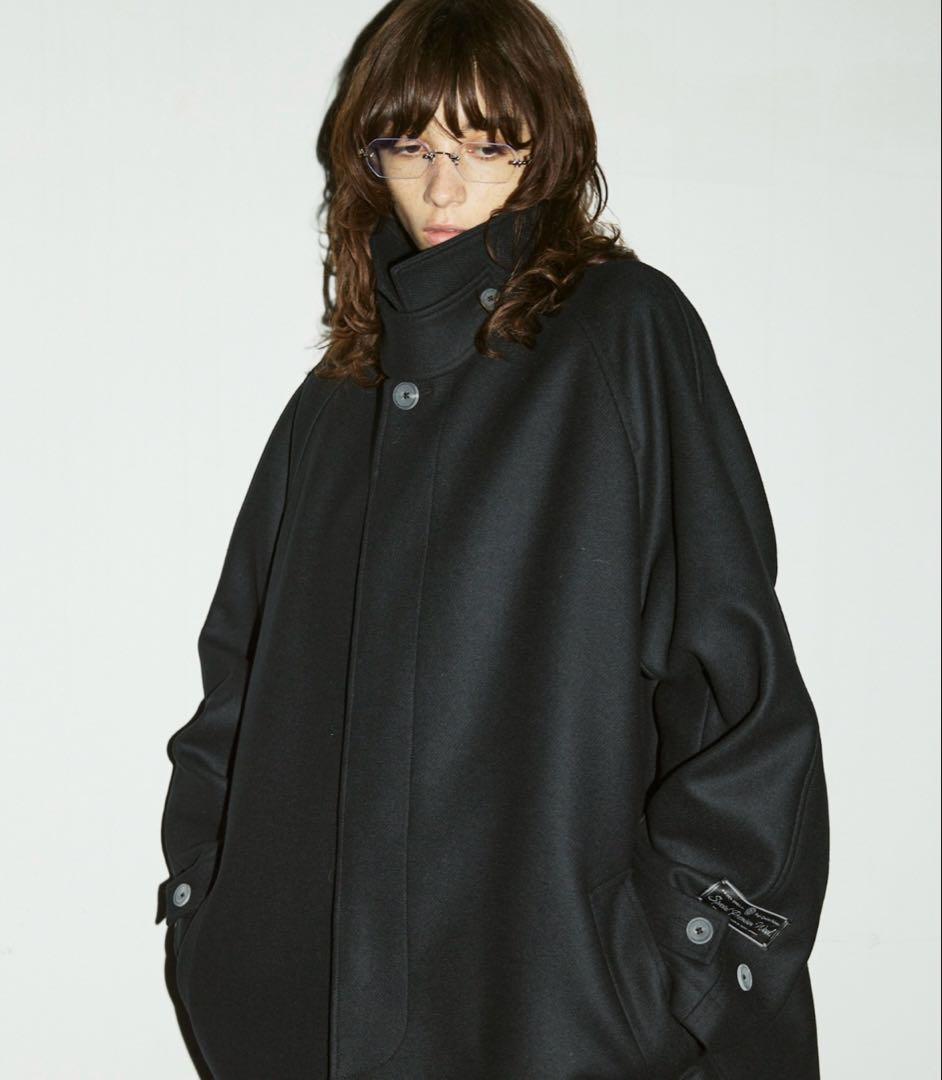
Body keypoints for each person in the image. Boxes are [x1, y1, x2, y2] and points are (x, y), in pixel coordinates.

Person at [156, 1, 830, 1078]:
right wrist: (209, 909)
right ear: (366, 157)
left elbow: (737, 686)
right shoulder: (332, 406)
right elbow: (232, 700)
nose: (441, 189)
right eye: (410, 145)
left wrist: (681, 969)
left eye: (484, 146)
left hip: (571, 1029)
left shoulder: (621, 337)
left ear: (545, 152)